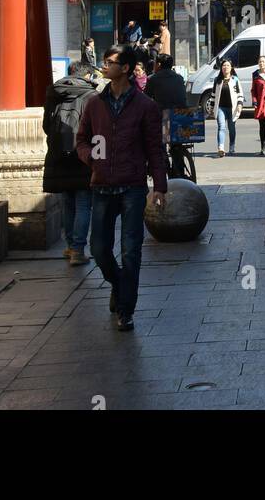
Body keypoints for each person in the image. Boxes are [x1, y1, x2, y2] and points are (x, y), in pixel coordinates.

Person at [76, 43, 167, 331]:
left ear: (125, 68)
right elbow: (81, 139)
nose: (104, 65)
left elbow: (155, 149)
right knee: (99, 249)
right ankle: (119, 284)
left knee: (131, 250)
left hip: (132, 187)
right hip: (101, 184)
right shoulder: (94, 103)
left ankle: (126, 309)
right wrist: (90, 157)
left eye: (110, 61)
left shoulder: (145, 106)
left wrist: (159, 187)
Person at [42, 61, 97, 265]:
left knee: (68, 202)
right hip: (83, 154)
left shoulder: (54, 93)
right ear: (88, 76)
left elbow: (46, 125)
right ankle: (78, 250)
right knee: (83, 203)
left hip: (58, 154)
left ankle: (69, 245)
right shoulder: (91, 95)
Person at [212, 58, 243, 157]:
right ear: (221, 68)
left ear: (231, 67)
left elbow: (240, 93)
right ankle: (221, 148)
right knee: (221, 127)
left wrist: (239, 104)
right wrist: (212, 108)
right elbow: (213, 95)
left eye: (228, 65)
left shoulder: (235, 80)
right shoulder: (217, 80)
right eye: (224, 66)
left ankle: (232, 147)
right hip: (221, 107)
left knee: (231, 128)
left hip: (232, 108)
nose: (225, 67)